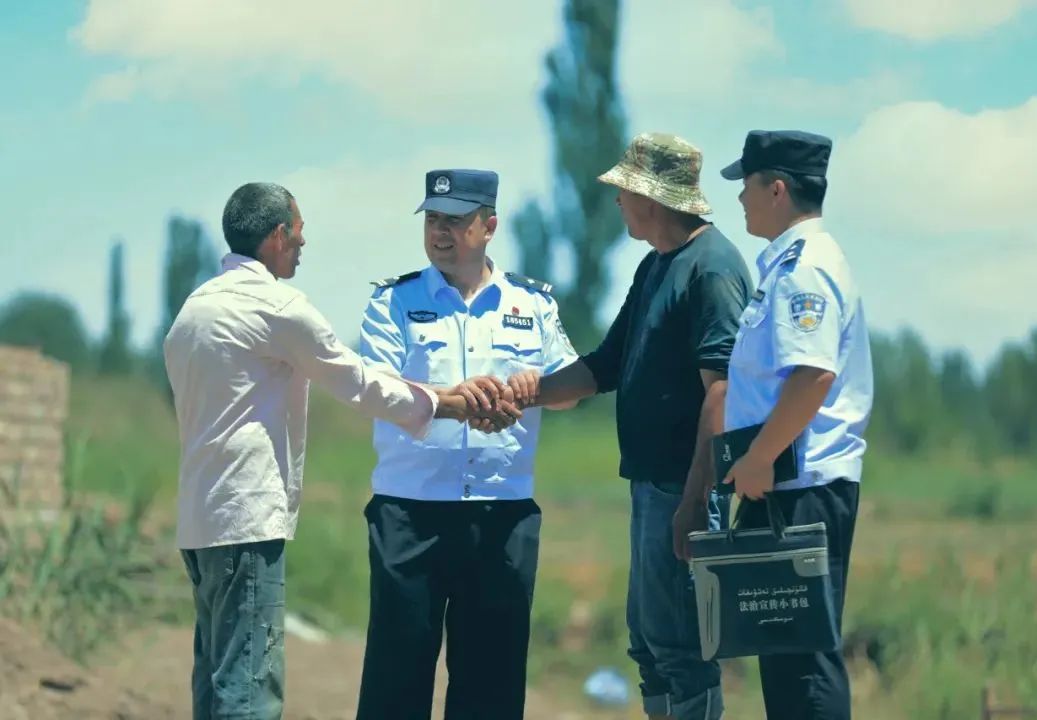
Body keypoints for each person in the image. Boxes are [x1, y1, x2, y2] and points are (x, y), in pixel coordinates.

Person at [163, 182, 517, 720]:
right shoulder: (276, 306)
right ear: (278, 236)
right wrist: (444, 404)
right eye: (299, 232)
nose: (304, 244)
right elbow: (355, 380)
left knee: (215, 680)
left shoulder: (196, 308)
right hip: (244, 518)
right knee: (248, 688)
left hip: (198, 517)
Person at [512, 133, 753, 720]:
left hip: (683, 488)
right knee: (651, 644)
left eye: (624, 192)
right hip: (652, 487)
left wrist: (694, 501)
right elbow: (605, 365)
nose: (617, 202)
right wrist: (523, 393)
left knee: (683, 649)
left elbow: (722, 392)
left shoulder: (712, 268)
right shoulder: (655, 267)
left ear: (650, 198)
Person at [354, 169, 579, 720]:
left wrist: (531, 390)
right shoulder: (395, 301)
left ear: (489, 226)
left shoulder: (532, 304)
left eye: (455, 220)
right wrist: (454, 400)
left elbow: (570, 389)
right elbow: (375, 387)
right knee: (395, 681)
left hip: (502, 515)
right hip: (410, 514)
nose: (440, 232)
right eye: (433, 219)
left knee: (491, 687)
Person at [717, 130, 874, 720]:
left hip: (801, 485)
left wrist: (759, 457)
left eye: (747, 185)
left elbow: (813, 375)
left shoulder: (805, 268)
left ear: (777, 189)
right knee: (785, 655)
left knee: (804, 659)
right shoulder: (788, 264)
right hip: (784, 482)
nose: (740, 198)